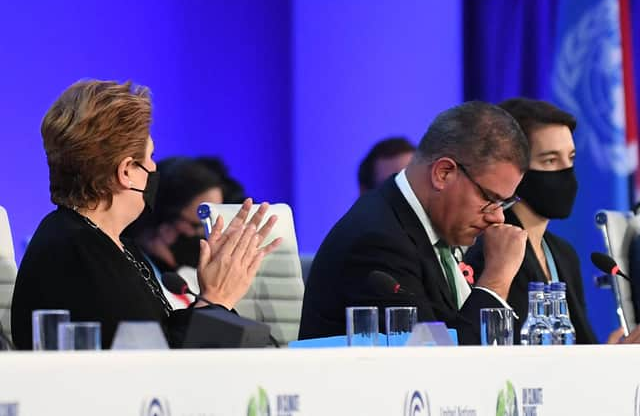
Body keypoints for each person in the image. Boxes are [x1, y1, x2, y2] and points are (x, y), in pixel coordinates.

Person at [11, 80, 280, 349]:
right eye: (150, 156)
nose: (153, 167)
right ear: (126, 172)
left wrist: (210, 300)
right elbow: (155, 369)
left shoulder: (109, 242)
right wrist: (216, 298)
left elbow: (162, 336)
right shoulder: (77, 251)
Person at [299, 101, 530, 345]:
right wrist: (495, 280)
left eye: (504, 203)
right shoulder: (377, 243)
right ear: (443, 173)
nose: (498, 217)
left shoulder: (435, 227)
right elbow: (437, 365)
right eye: (489, 198)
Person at [463, 98, 598, 344]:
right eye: (550, 160)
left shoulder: (563, 253)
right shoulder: (494, 247)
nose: (566, 171)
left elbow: (578, 346)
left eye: (571, 158)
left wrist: (618, 355)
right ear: (515, 170)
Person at [124, 156, 226, 308]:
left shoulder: (192, 278)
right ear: (163, 220)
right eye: (197, 225)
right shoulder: (131, 276)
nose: (207, 235)